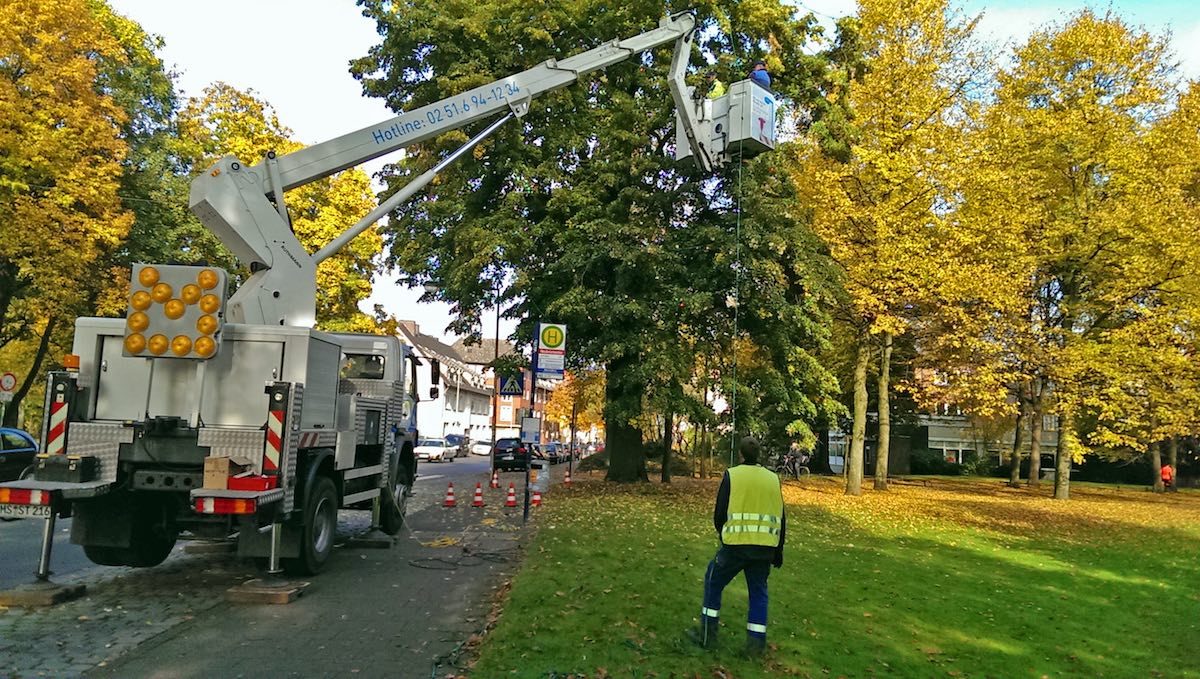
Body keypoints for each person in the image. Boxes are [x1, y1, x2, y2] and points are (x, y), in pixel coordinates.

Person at [688, 436, 786, 657]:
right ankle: (755, 647)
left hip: (735, 547)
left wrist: (723, 535)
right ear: (758, 455)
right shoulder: (773, 479)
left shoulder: (732, 475)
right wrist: (778, 551)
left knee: (713, 581)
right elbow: (781, 516)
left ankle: (707, 635)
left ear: (740, 454)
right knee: (758, 593)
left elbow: (720, 512)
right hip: (764, 548)